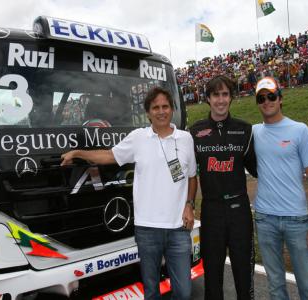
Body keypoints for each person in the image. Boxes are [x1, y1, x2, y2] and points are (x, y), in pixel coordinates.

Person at [61, 87, 197, 300]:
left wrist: (189, 204)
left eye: (165, 107)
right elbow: (108, 156)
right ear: (148, 112)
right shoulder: (138, 138)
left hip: (178, 229)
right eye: (155, 108)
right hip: (147, 230)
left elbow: (191, 176)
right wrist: (78, 152)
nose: (161, 112)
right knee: (151, 290)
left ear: (172, 109)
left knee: (184, 292)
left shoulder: (186, 139)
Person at [253, 77, 308, 300]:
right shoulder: (253, 132)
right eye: (261, 98)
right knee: (275, 287)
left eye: (271, 96)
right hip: (265, 220)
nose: (267, 101)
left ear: (281, 99)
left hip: (297, 220)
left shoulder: (299, 130)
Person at [189, 75, 257, 300]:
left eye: (225, 94)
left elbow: (260, 170)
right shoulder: (194, 132)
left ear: (231, 97)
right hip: (211, 211)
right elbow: (185, 173)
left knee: (243, 277)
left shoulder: (245, 130)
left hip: (239, 211)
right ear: (208, 98)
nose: (221, 100)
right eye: (216, 95)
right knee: (213, 280)